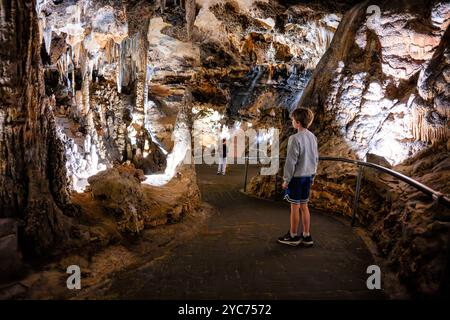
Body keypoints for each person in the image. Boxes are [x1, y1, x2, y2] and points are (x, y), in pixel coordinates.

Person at [277, 107, 318, 247]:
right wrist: (313, 175)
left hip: (296, 178)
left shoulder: (294, 138)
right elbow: (315, 158)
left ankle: (293, 235)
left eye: (293, 120)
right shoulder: (312, 137)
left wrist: (286, 179)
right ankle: (306, 236)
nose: (292, 122)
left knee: (294, 207)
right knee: (304, 206)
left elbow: (291, 161)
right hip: (308, 177)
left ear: (298, 122)